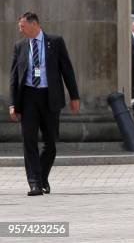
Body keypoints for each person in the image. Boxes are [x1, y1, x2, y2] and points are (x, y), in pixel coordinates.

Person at [9, 12, 80, 196]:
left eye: (23, 26)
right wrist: (13, 104)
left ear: (34, 24)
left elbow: (67, 70)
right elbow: (14, 77)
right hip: (28, 98)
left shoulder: (55, 42)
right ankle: (34, 183)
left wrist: (74, 96)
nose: (20, 29)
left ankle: (41, 177)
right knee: (29, 141)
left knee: (51, 143)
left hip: (49, 97)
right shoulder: (20, 46)